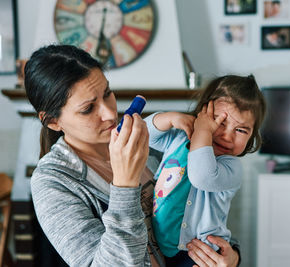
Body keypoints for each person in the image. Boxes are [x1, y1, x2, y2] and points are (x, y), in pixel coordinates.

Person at [25, 44, 240, 266]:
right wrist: (125, 185)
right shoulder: (52, 182)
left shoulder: (151, 140)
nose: (110, 114)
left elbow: (200, 211)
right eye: (88, 108)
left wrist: (231, 255)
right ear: (53, 121)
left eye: (107, 94)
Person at [144, 75, 267, 266]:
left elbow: (200, 176)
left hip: (199, 253)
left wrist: (204, 131)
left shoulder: (231, 167)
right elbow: (143, 134)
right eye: (220, 122)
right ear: (203, 114)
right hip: (163, 247)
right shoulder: (178, 138)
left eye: (241, 130)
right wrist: (171, 117)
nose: (227, 136)